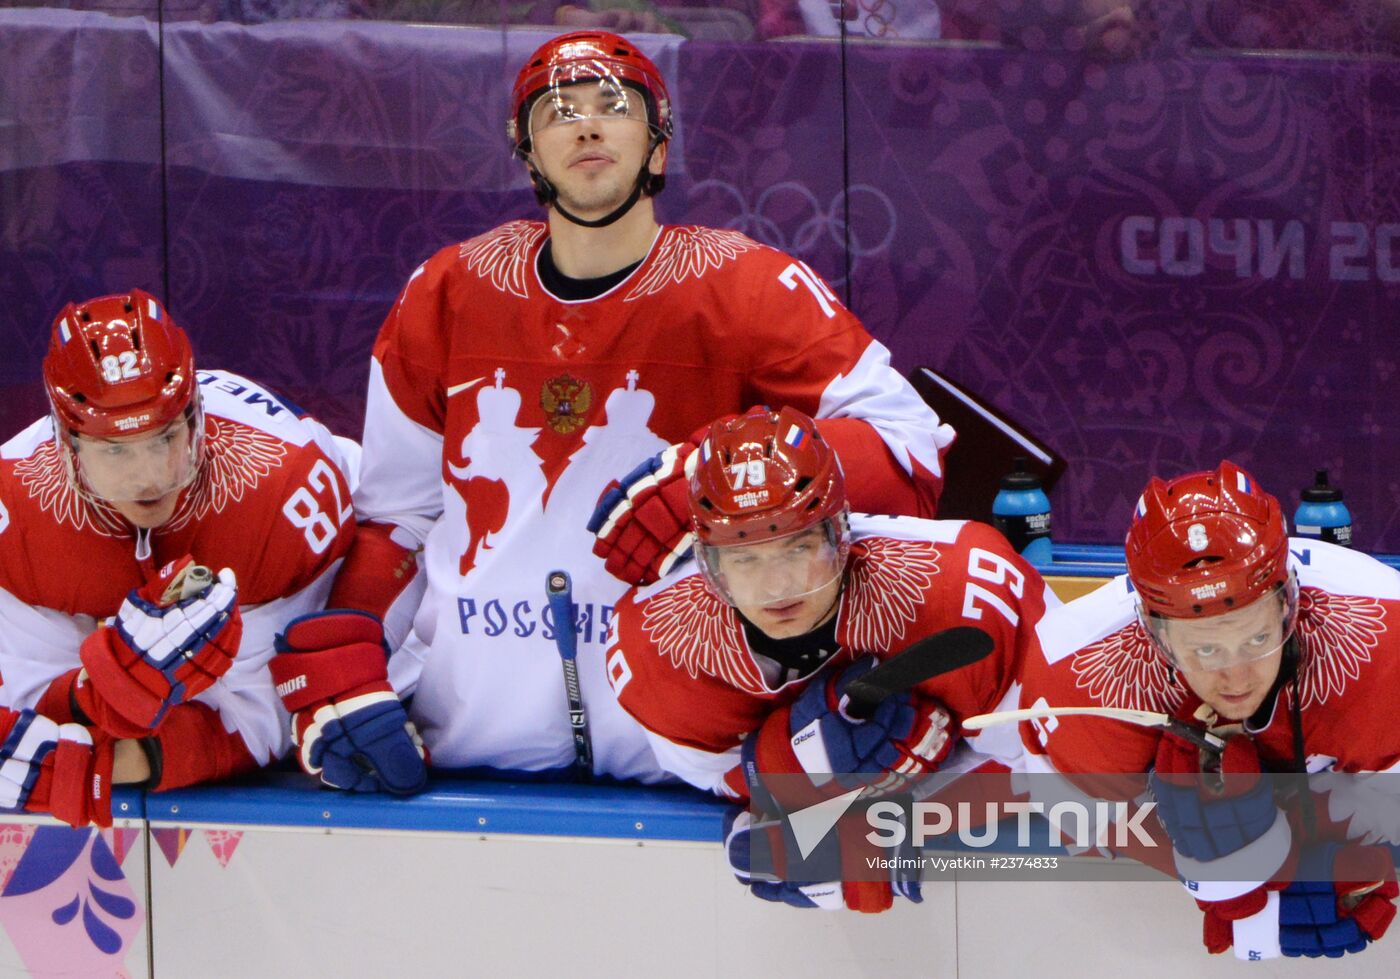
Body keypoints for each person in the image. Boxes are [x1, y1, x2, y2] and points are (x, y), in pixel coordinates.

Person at [311, 30, 955, 785]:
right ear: (527, 152)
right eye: (559, 110)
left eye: (613, 106)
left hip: (679, 751)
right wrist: (351, 660)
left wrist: (717, 476)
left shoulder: (746, 286)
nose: (586, 125)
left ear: (659, 142)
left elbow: (910, 448)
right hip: (472, 741)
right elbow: (399, 516)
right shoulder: (446, 292)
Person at [606, 406, 1055, 910]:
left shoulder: (962, 589)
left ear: (840, 532)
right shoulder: (656, 648)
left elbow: (1060, 766)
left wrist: (904, 821)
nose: (775, 587)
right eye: (744, 558)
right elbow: (729, 784)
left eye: (797, 549)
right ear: (709, 563)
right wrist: (779, 781)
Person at [0, 288, 365, 827]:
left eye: (165, 437)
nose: (147, 476)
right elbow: (30, 705)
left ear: (195, 416)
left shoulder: (285, 490)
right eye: (115, 450)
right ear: (67, 442)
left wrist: (106, 764)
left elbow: (266, 710)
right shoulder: (14, 510)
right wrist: (96, 697)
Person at [1017, 461, 1399, 959]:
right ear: (1153, 632)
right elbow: (1084, 815)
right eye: (1205, 650)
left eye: (1257, 639)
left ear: (1288, 603)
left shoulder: (1384, 637)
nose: (1236, 679)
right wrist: (1209, 868)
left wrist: (1329, 846)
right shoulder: (1075, 676)